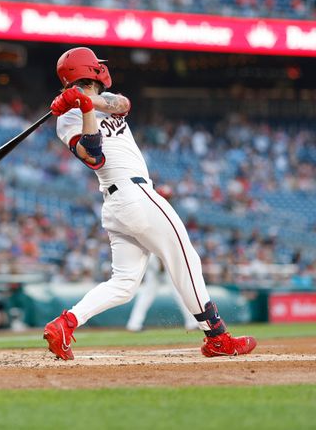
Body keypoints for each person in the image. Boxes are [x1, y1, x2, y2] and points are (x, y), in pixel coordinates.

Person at [43, 47, 256, 359]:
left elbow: (123, 104)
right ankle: (217, 337)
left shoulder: (106, 100)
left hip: (121, 206)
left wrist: (86, 101)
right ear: (91, 70)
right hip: (133, 195)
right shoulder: (66, 120)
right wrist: (83, 109)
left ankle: (66, 322)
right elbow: (94, 156)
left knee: (125, 283)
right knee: (185, 259)